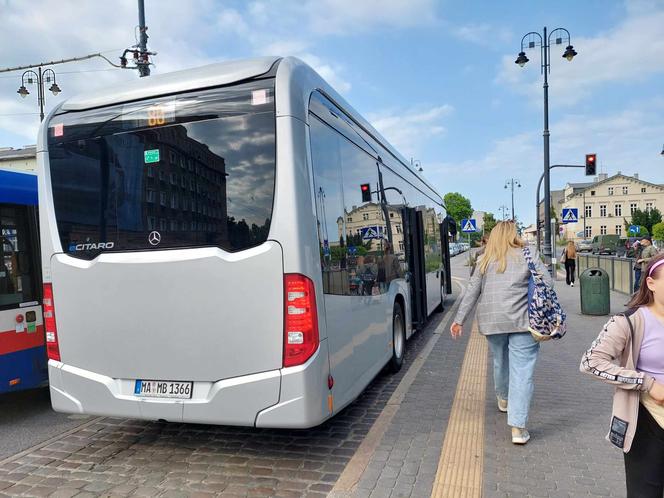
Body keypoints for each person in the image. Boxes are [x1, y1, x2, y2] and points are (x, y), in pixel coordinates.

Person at [450, 221, 552, 445]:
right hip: (523, 320)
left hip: (492, 320)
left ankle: (504, 399)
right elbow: (548, 282)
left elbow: (471, 291)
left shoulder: (484, 258)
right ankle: (518, 428)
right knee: (522, 371)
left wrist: (459, 320)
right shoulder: (528, 253)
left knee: (500, 360)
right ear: (514, 234)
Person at [580, 253, 664, 497]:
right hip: (647, 420)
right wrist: (646, 383)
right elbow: (590, 362)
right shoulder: (629, 322)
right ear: (651, 283)